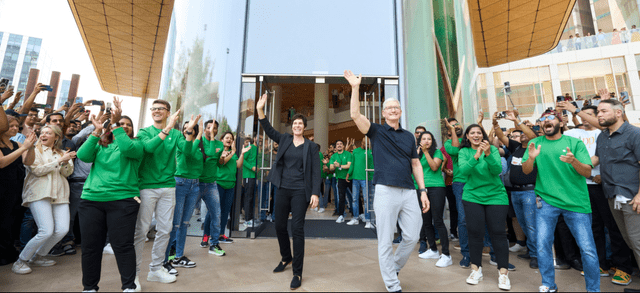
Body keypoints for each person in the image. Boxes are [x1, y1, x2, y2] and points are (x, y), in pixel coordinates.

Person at [345, 70, 429, 292]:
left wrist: (423, 190)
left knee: (412, 236)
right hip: (385, 190)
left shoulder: (409, 136)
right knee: (385, 239)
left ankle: (392, 267)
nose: (393, 109)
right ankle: (393, 285)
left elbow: (416, 164)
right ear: (383, 113)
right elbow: (355, 115)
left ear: (400, 112)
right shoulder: (376, 131)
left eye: (396, 107)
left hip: (409, 191)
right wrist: (355, 87)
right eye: (389, 107)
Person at [522, 110, 600, 292]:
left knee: (587, 248)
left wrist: (574, 161)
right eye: (542, 120)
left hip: (576, 203)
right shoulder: (534, 143)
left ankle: (594, 289)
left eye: (550, 118)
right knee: (542, 245)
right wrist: (531, 159)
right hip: (546, 201)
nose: (545, 121)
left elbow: (587, 172)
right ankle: (549, 285)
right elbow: (526, 171)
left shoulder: (574, 143)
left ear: (560, 122)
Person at [76, 98, 143, 291]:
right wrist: (96, 131)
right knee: (90, 248)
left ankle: (129, 287)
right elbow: (83, 156)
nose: (123, 126)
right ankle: (89, 287)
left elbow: (127, 148)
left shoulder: (137, 145)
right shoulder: (99, 144)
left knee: (122, 246)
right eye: (120, 123)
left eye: (126, 125)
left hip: (123, 201)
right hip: (91, 200)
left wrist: (115, 124)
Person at [256, 92, 321, 290]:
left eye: (300, 124)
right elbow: (268, 129)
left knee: (298, 229)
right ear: (292, 127)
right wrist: (260, 110)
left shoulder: (311, 147)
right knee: (279, 226)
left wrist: (315, 193)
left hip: (301, 190)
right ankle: (286, 257)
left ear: (304, 126)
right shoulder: (284, 139)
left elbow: (316, 171)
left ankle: (297, 273)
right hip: (283, 188)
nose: (297, 126)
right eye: (294, 124)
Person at [133, 100, 194, 285]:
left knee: (165, 230)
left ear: (168, 112)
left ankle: (156, 269)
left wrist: (189, 132)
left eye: (161, 109)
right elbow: (149, 148)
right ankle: (133, 274)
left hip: (168, 186)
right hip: (147, 187)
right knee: (141, 231)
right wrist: (167, 128)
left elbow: (188, 152)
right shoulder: (144, 132)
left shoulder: (176, 134)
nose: (156, 111)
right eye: (154, 109)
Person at [12, 125, 75, 275]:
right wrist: (60, 160)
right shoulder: (33, 150)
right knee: (46, 230)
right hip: (39, 193)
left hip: (60, 195)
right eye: (42, 132)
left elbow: (67, 173)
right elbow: (37, 170)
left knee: (62, 229)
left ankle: (39, 256)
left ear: (57, 137)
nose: (43, 135)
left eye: (48, 133)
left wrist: (65, 162)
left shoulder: (61, 152)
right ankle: (21, 261)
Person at [592, 99, 640, 291]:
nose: (599, 115)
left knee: (637, 242)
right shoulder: (603, 136)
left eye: (603, 111)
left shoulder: (634, 133)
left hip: (632, 197)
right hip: (612, 196)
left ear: (619, 112)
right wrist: (573, 162)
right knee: (629, 240)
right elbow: (596, 159)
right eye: (598, 112)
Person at [457, 124, 511, 290]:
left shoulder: (493, 150)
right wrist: (476, 155)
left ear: (483, 136)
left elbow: (496, 171)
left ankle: (503, 273)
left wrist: (487, 154)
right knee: (474, 233)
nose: (475, 135)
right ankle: (476, 269)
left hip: (495, 195)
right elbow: (464, 171)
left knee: (498, 233)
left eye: (478, 132)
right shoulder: (464, 152)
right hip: (473, 196)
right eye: (472, 133)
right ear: (467, 136)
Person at [493, 111, 539, 269]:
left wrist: (516, 120)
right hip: (515, 192)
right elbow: (501, 136)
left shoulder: (536, 145)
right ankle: (531, 249)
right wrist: (495, 124)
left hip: (529, 191)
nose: (522, 135)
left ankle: (536, 255)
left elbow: (532, 136)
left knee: (531, 224)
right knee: (523, 223)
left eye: (525, 132)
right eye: (520, 133)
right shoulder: (517, 147)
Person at [165, 116, 202, 270]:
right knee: (176, 223)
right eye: (187, 127)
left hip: (195, 184)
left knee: (185, 223)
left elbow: (199, 163)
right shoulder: (181, 143)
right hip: (181, 183)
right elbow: (189, 154)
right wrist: (196, 138)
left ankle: (179, 256)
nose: (189, 128)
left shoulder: (198, 146)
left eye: (192, 126)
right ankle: (165, 259)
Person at [0, 108, 36, 266]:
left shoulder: (17, 143)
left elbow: (28, 162)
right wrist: (24, 147)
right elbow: (1, 163)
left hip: (14, 188)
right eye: (11, 126)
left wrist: (31, 146)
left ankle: (6, 251)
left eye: (17, 127)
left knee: (9, 221)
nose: (15, 129)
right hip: (1, 187)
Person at [415, 131, 452, 268]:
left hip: (436, 188)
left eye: (429, 139)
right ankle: (433, 250)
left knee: (438, 220)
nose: (426, 141)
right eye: (423, 139)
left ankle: (447, 255)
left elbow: (434, 167)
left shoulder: (437, 153)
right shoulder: (416, 154)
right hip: (422, 189)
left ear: (433, 141)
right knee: (426, 220)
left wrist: (425, 152)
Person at [330, 140, 353, 223]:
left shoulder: (348, 154)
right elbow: (331, 167)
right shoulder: (333, 156)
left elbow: (349, 165)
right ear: (336, 147)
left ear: (343, 146)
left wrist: (339, 165)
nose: (339, 145)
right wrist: (333, 166)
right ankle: (341, 215)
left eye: (340, 144)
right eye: (337, 144)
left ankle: (358, 214)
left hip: (350, 178)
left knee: (354, 197)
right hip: (340, 179)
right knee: (341, 197)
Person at [241, 136, 258, 227]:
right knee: (249, 198)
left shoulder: (253, 148)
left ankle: (249, 219)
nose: (245, 144)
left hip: (251, 176)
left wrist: (254, 167)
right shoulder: (251, 148)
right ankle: (248, 219)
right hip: (249, 176)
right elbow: (242, 159)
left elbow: (243, 159)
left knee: (250, 198)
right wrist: (252, 167)